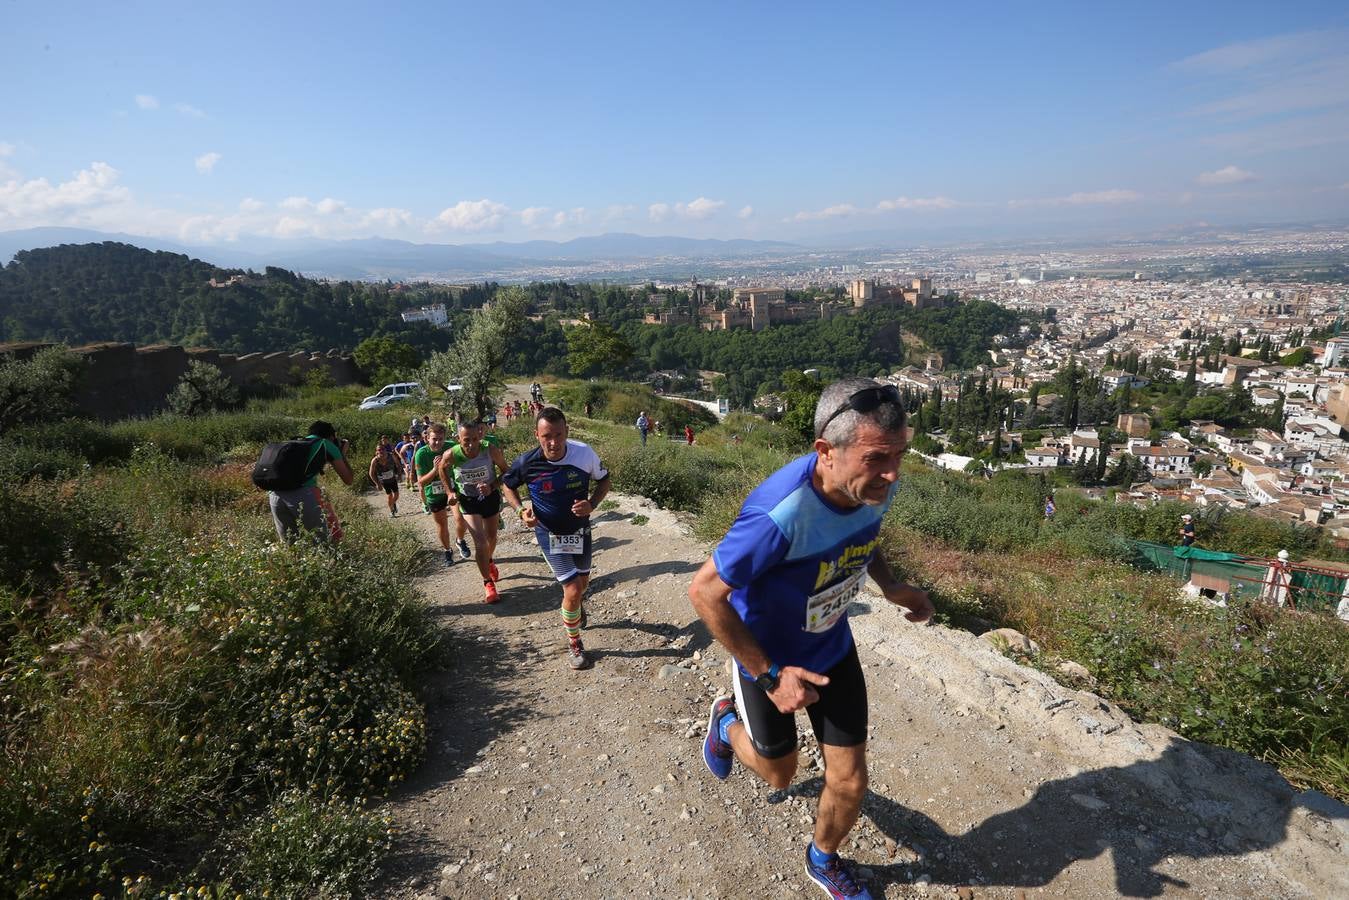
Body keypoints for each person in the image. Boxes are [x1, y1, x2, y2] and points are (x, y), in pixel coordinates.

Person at [688, 378, 934, 900]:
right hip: (768, 659)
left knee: (850, 781)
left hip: (831, 648)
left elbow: (865, 535)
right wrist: (771, 677)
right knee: (779, 775)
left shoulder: (872, 483)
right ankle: (726, 722)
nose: (892, 474)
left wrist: (892, 587)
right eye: (876, 459)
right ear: (826, 451)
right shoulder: (780, 514)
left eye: (899, 456)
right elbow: (706, 593)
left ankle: (822, 859)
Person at [502, 407, 611, 670]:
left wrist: (592, 504)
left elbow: (604, 480)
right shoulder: (527, 462)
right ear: (536, 435)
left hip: (580, 531)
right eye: (546, 436)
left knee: (582, 585)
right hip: (549, 534)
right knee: (572, 589)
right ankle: (575, 644)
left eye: (559, 435)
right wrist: (520, 511)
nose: (553, 442)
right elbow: (507, 485)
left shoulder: (584, 453)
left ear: (567, 432)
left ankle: (575, 606)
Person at [441, 420, 511, 603]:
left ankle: (488, 561)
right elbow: (441, 468)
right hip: (468, 501)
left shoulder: (490, 450)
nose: (471, 444)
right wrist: (450, 492)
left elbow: (506, 471)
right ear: (458, 439)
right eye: (466, 440)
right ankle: (488, 583)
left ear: (480, 436)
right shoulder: (452, 454)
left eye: (475, 439)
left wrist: (491, 485)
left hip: (490, 497)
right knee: (480, 543)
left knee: (491, 538)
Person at [268, 420, 354, 543]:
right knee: (328, 541)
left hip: (275, 495)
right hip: (304, 495)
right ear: (331, 436)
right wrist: (341, 453)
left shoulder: (294, 443)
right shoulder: (325, 444)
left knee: (291, 546)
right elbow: (348, 479)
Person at [414, 423, 458, 565]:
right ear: (427, 438)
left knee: (460, 517)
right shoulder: (421, 454)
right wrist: (435, 469)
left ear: (445, 438)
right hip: (434, 493)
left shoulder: (450, 446)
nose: (438, 442)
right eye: (434, 439)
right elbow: (421, 483)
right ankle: (447, 551)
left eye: (441, 439)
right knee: (442, 524)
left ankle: (460, 540)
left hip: (452, 488)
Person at [368, 441, 404, 517]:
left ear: (385, 450)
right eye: (379, 450)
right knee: (389, 495)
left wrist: (400, 475)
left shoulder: (391, 456)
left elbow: (398, 464)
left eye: (382, 449)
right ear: (376, 452)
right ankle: (392, 511)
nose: (381, 451)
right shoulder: (375, 460)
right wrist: (377, 483)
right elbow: (371, 473)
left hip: (392, 478)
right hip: (383, 481)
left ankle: (392, 503)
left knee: (396, 495)